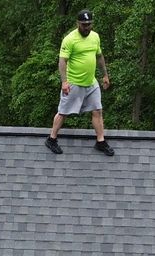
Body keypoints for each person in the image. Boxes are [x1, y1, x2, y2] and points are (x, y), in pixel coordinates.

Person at [45, 9, 112, 156]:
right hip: (74, 83)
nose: (86, 27)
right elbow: (62, 61)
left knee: (97, 110)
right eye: (83, 25)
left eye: (89, 24)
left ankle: (100, 142)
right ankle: (51, 139)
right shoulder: (70, 39)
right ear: (78, 23)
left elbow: (99, 57)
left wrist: (105, 75)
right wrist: (64, 82)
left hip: (91, 82)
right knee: (63, 112)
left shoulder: (95, 37)